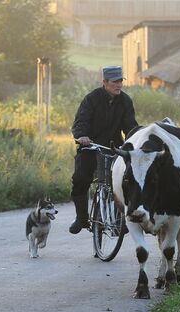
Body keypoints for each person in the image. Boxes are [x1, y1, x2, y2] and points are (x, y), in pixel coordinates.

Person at [69, 66, 138, 234]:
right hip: (90, 146)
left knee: (123, 181)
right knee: (80, 178)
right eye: (115, 81)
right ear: (105, 82)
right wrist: (82, 136)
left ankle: (118, 219)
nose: (118, 85)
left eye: (121, 81)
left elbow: (130, 126)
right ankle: (81, 218)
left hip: (113, 148)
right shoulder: (91, 99)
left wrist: (133, 140)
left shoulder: (125, 101)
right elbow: (81, 121)